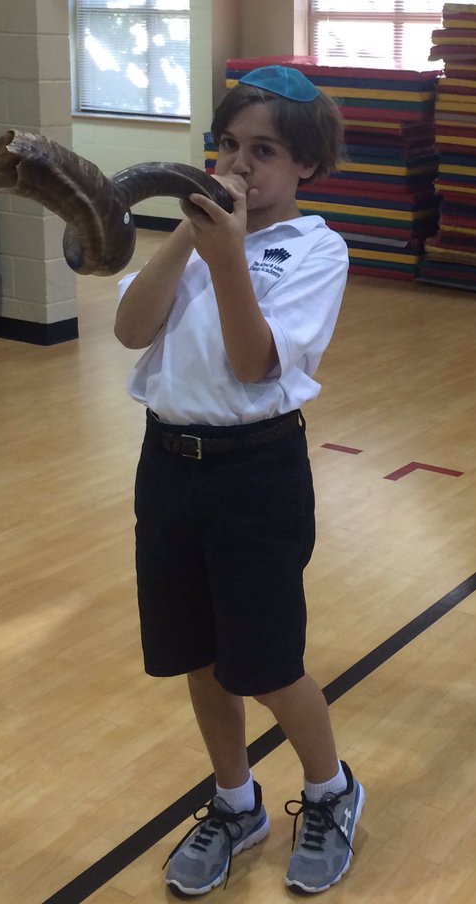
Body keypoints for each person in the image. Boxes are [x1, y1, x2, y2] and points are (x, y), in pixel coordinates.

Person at [114, 65, 364, 894]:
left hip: (255, 474)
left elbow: (256, 364)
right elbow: (130, 329)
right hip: (167, 468)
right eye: (228, 145)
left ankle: (330, 791)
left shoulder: (317, 249)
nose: (238, 166)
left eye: (263, 151)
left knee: (266, 665)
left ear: (306, 166)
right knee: (196, 654)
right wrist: (189, 237)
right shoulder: (198, 236)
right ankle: (234, 802)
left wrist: (226, 253)